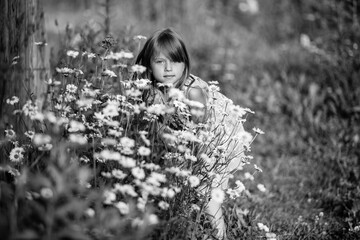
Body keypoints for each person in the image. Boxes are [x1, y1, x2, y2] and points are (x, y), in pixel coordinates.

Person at [135, 28, 246, 239]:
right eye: (160, 62)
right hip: (188, 139)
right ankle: (181, 221)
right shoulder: (150, 90)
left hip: (220, 141)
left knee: (208, 194)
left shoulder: (192, 92)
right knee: (180, 182)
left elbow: (203, 132)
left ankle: (219, 235)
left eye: (175, 61)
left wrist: (195, 163)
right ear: (149, 64)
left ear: (185, 62)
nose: (168, 69)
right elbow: (156, 127)